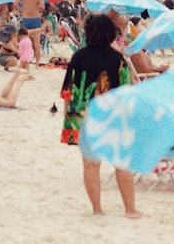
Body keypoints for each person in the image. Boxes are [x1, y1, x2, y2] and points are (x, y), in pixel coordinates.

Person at [60, 14, 140, 219]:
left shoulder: (78, 57)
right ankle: (130, 210)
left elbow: (68, 91)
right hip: (112, 116)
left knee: (90, 165)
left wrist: (69, 121)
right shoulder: (117, 59)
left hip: (83, 117)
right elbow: (126, 92)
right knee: (121, 164)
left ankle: (97, 209)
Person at [18, 0, 46, 65]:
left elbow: (15, 4)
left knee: (26, 41)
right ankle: (37, 63)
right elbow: (42, 7)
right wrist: (39, 12)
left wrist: (22, 11)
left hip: (25, 18)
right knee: (37, 43)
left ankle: (27, 61)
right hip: (35, 18)